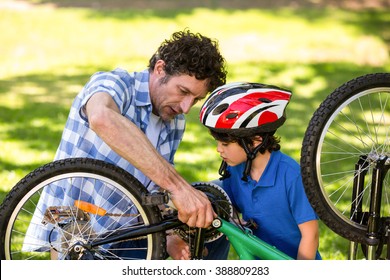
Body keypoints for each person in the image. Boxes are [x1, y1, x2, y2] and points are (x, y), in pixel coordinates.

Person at [23, 29, 227, 259]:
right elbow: (101, 117)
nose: (186, 107)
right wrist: (178, 187)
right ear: (160, 69)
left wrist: (171, 238)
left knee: (215, 225)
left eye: (196, 99)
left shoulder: (174, 121)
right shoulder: (114, 83)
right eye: (183, 92)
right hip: (82, 234)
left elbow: (154, 192)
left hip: (133, 233)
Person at [199, 82, 322, 260]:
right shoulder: (235, 170)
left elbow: (311, 236)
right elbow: (230, 205)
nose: (219, 149)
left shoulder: (291, 175)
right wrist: (234, 220)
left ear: (255, 140)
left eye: (225, 144)